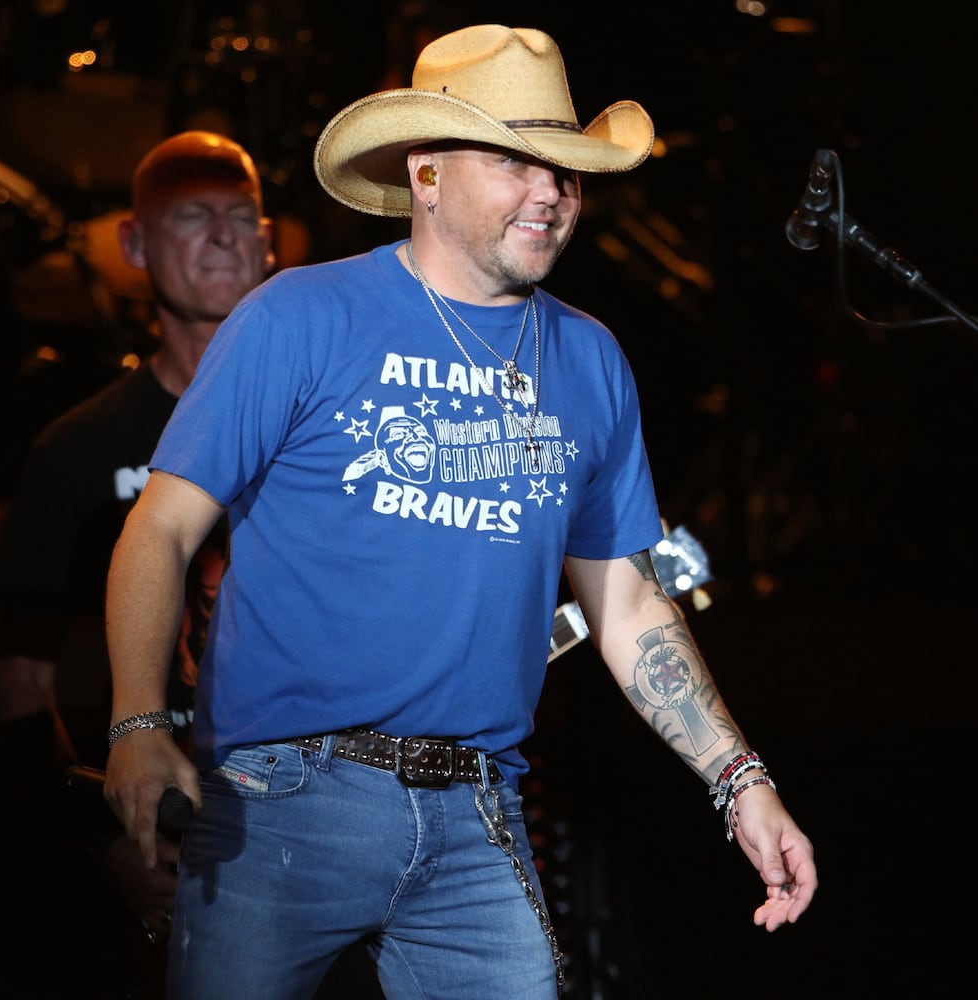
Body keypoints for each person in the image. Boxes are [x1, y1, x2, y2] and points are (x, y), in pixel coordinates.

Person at [103, 24, 818, 1000]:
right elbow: (160, 528)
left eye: (564, 168)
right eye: (514, 161)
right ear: (425, 171)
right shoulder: (300, 315)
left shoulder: (589, 358)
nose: (549, 192)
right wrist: (137, 721)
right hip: (282, 803)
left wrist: (740, 780)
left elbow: (626, 604)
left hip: (476, 811)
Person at [0, 130, 275, 996]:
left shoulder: (336, 426)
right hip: (175, 840)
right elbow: (14, 678)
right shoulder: (80, 448)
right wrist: (103, 840)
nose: (223, 236)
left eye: (239, 215)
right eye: (193, 216)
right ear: (134, 246)